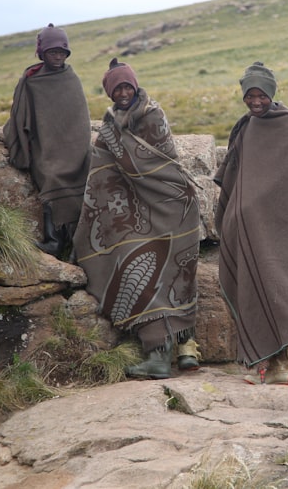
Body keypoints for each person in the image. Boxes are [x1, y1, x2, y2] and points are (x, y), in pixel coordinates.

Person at [72, 58, 202, 378]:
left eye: (127, 86)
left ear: (136, 86)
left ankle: (185, 347)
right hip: (133, 213)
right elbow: (102, 174)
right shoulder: (109, 126)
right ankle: (159, 351)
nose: (124, 93)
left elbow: (159, 163)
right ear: (109, 93)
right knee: (132, 269)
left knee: (177, 270)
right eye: (117, 89)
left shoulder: (152, 115)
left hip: (172, 205)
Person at [213, 61, 288, 384]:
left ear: (272, 93)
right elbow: (236, 176)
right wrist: (239, 211)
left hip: (285, 222)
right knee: (256, 287)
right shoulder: (245, 128)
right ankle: (269, 366)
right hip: (250, 225)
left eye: (261, 96)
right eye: (249, 96)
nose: (255, 102)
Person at [2, 24, 91, 257]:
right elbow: (22, 116)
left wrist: (76, 148)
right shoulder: (32, 80)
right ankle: (54, 240)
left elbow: (78, 120)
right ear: (42, 53)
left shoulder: (71, 79)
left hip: (73, 147)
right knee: (49, 174)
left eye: (62, 53)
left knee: (83, 174)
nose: (58, 57)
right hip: (45, 146)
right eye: (53, 52)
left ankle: (74, 243)